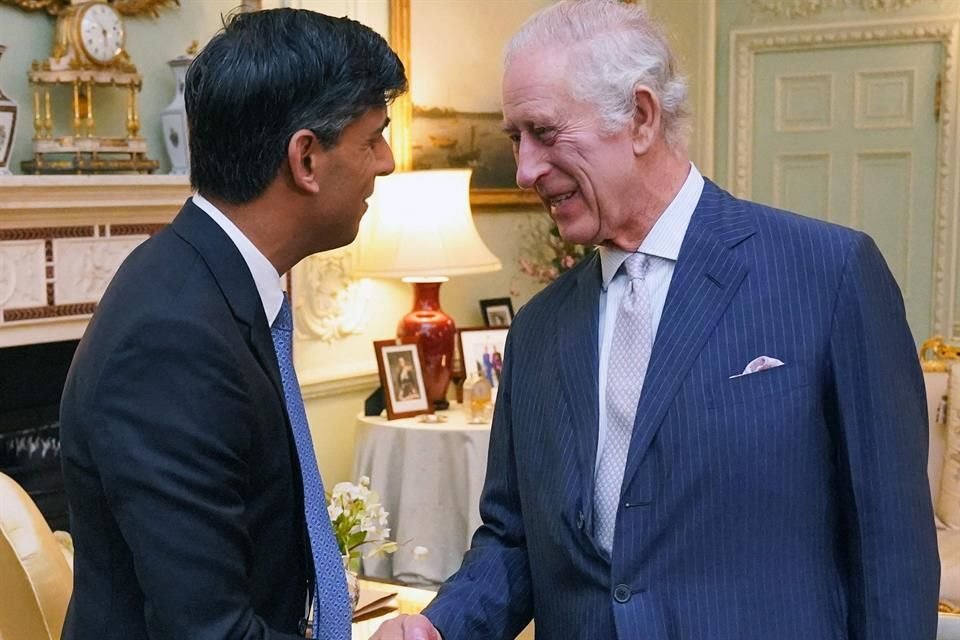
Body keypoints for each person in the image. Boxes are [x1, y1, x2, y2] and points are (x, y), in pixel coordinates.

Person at [373, 1, 938, 638]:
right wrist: (439, 626)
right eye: (514, 138)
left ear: (640, 117)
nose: (526, 168)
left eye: (545, 132)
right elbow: (516, 540)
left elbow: (891, 549)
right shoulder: (538, 331)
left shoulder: (828, 275)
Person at [58, 9, 405, 639]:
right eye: (373, 137)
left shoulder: (209, 284)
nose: (387, 161)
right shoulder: (174, 337)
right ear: (306, 158)